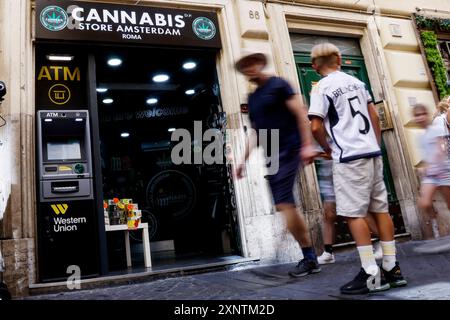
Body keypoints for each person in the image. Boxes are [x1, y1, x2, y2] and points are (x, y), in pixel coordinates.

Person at [308, 43, 407, 294]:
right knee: (381, 211)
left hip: (349, 157)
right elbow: (374, 117)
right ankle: (392, 268)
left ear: (314, 66)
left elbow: (316, 127)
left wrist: (329, 149)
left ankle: (371, 274)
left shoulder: (322, 87)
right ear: (339, 59)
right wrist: (374, 143)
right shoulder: (357, 83)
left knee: (354, 214)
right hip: (372, 153)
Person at [234, 50, 321, 277]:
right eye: (245, 67)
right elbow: (255, 132)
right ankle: (309, 256)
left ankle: (309, 257)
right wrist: (242, 162)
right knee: (284, 205)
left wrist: (307, 144)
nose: (249, 68)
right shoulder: (252, 99)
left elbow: (301, 114)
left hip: (290, 148)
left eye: (253, 63)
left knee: (284, 203)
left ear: (261, 64)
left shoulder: (279, 85)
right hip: (271, 154)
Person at [314, 153, 383, 264]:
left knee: (358, 209)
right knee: (328, 214)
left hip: (343, 169)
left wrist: (316, 153)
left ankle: (383, 242)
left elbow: (334, 150)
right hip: (328, 171)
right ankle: (328, 253)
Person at [413, 103, 450, 238]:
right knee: (424, 203)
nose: (420, 118)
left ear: (427, 115)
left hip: (444, 170)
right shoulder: (420, 137)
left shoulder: (436, 128)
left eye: (422, 114)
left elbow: (442, 148)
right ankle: (436, 231)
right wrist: (425, 166)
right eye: (417, 116)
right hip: (432, 175)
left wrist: (433, 161)